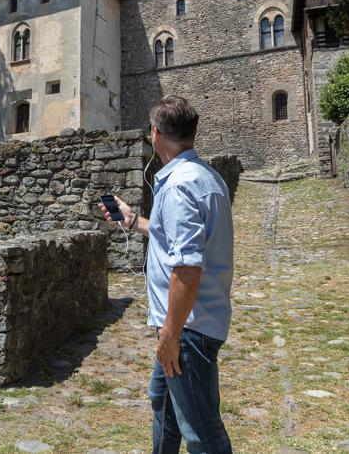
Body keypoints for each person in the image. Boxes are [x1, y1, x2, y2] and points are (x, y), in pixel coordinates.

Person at [99, 95, 234, 454]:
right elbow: (175, 239)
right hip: (193, 323)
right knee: (163, 404)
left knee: (203, 434)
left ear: (155, 134)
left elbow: (187, 268)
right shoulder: (205, 177)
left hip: (187, 330)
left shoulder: (177, 186)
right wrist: (132, 221)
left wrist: (170, 336)